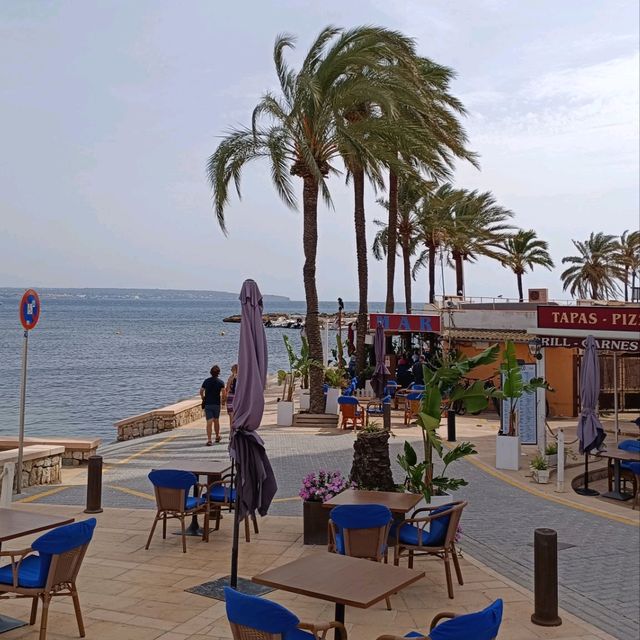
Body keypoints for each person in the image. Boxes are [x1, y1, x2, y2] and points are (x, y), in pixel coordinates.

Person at [200, 365, 225, 445]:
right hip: (216, 404)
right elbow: (224, 393)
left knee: (209, 422)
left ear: (210, 372)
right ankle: (217, 436)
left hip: (208, 404)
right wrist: (223, 401)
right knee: (216, 420)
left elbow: (201, 391)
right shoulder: (221, 382)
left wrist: (203, 397)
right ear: (218, 373)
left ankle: (209, 440)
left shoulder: (206, 381)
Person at [225, 363, 238, 430]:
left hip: (230, 397)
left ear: (234, 370)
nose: (230, 370)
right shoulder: (241, 378)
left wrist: (225, 397)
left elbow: (227, 388)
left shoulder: (231, 378)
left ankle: (232, 430)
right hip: (238, 397)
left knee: (231, 415)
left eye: (231, 369)